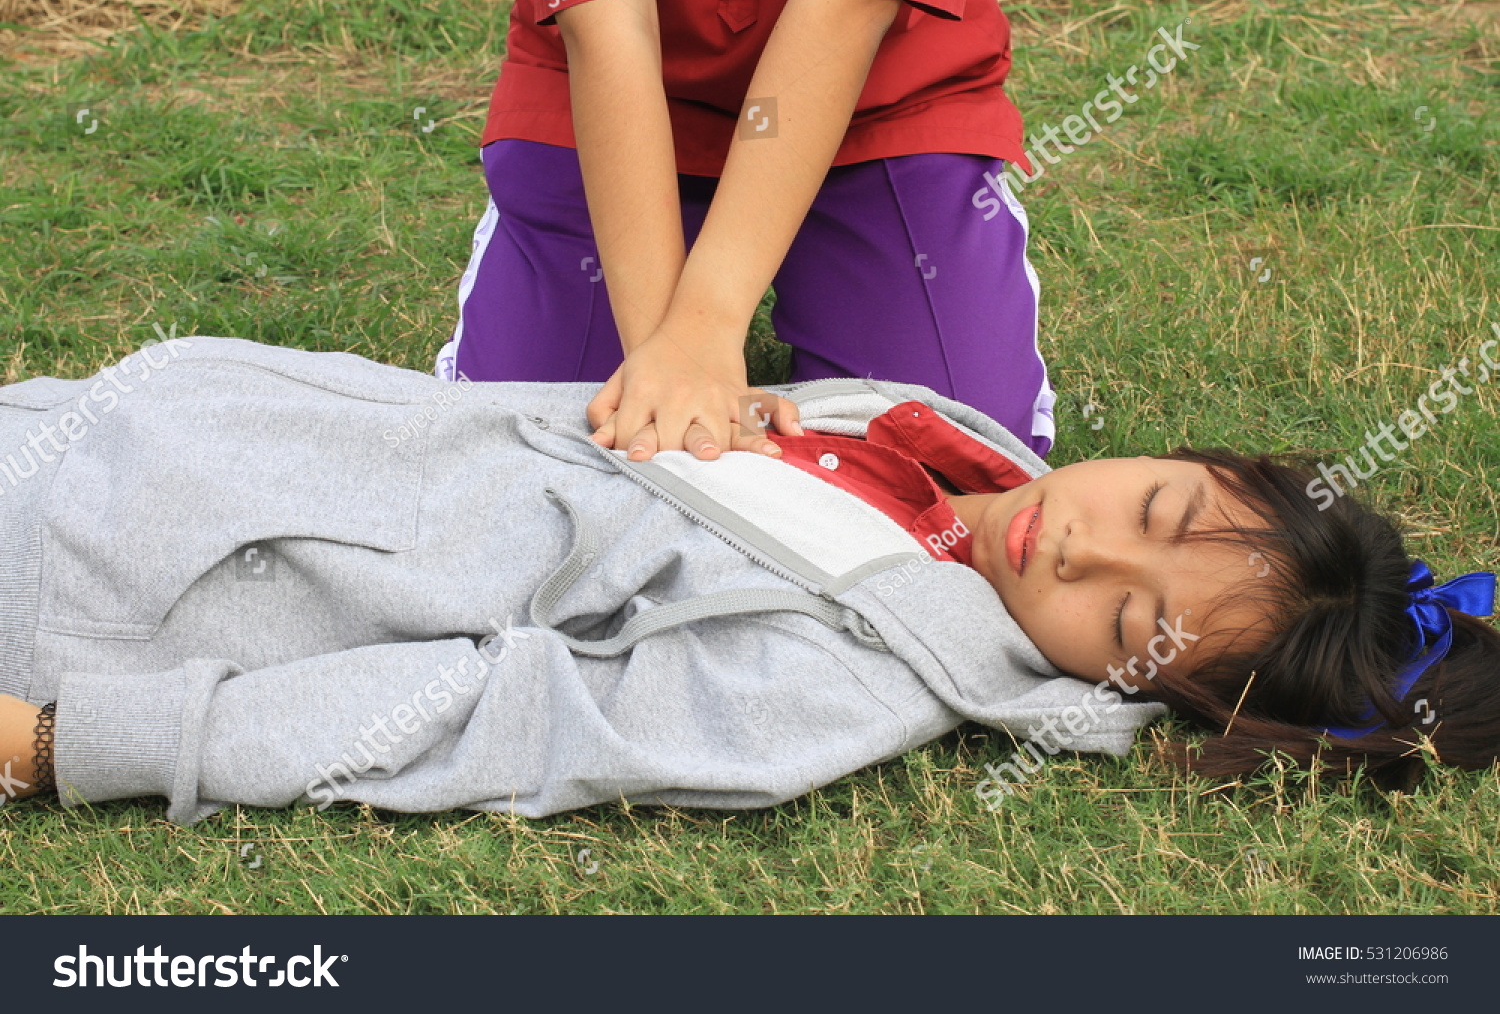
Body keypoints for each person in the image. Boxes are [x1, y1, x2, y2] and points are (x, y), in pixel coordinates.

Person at [0, 337, 1493, 823]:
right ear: (1183, 454)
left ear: (1131, 685)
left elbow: (494, 718)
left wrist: (67, 744)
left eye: (1121, 619)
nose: (1079, 542)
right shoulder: (937, 434)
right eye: (1154, 503)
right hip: (135, 422)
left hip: (103, 574)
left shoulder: (838, 685)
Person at [433, 0, 1057, 465]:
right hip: (617, 99)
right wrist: (671, 365)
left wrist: (702, 330)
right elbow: (607, 19)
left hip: (878, 107)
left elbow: (852, 0)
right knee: (519, 448)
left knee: (955, 456)